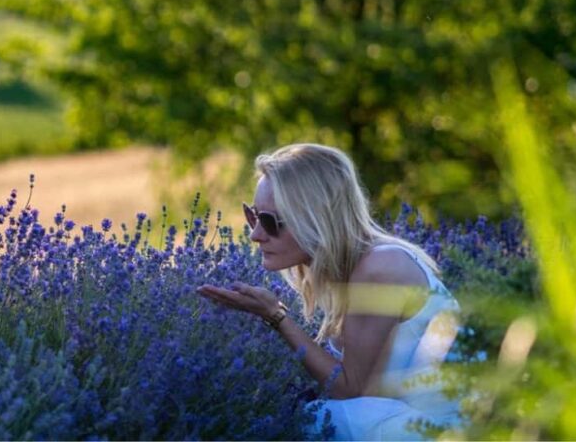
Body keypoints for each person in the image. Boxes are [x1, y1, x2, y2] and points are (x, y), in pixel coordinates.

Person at [197, 143, 462, 440]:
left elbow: (349, 389)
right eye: (253, 215)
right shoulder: (353, 267)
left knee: (296, 420)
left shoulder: (379, 268)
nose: (255, 234)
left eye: (270, 222)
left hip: (442, 433)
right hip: (412, 425)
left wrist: (276, 316)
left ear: (315, 219)